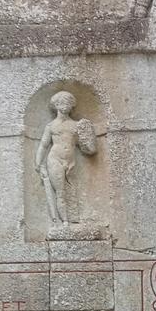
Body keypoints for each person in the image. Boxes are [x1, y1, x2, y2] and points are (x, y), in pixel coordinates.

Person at [35, 90, 97, 224]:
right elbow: (44, 145)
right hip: (54, 159)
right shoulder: (51, 126)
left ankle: (74, 219)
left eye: (68, 102)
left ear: (72, 105)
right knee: (60, 192)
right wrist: (39, 164)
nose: (65, 105)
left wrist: (87, 138)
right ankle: (65, 222)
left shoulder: (77, 125)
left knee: (72, 189)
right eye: (62, 102)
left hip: (71, 161)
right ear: (56, 105)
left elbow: (88, 148)